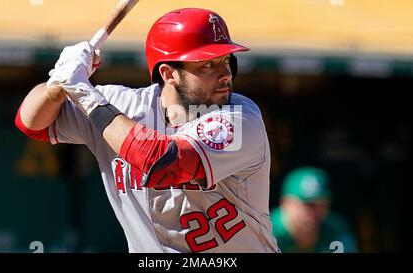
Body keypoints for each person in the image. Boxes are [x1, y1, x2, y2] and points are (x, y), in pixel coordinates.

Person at [15, 8, 279, 253]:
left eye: (225, 61)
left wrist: (85, 94)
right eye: (207, 65)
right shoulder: (124, 106)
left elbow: (162, 161)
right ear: (169, 73)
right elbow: (32, 123)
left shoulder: (241, 118)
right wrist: (58, 85)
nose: (225, 75)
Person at [271, 166, 358, 253]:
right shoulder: (267, 230)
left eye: (322, 204)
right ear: (285, 203)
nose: (316, 211)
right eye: (308, 204)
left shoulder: (336, 229)